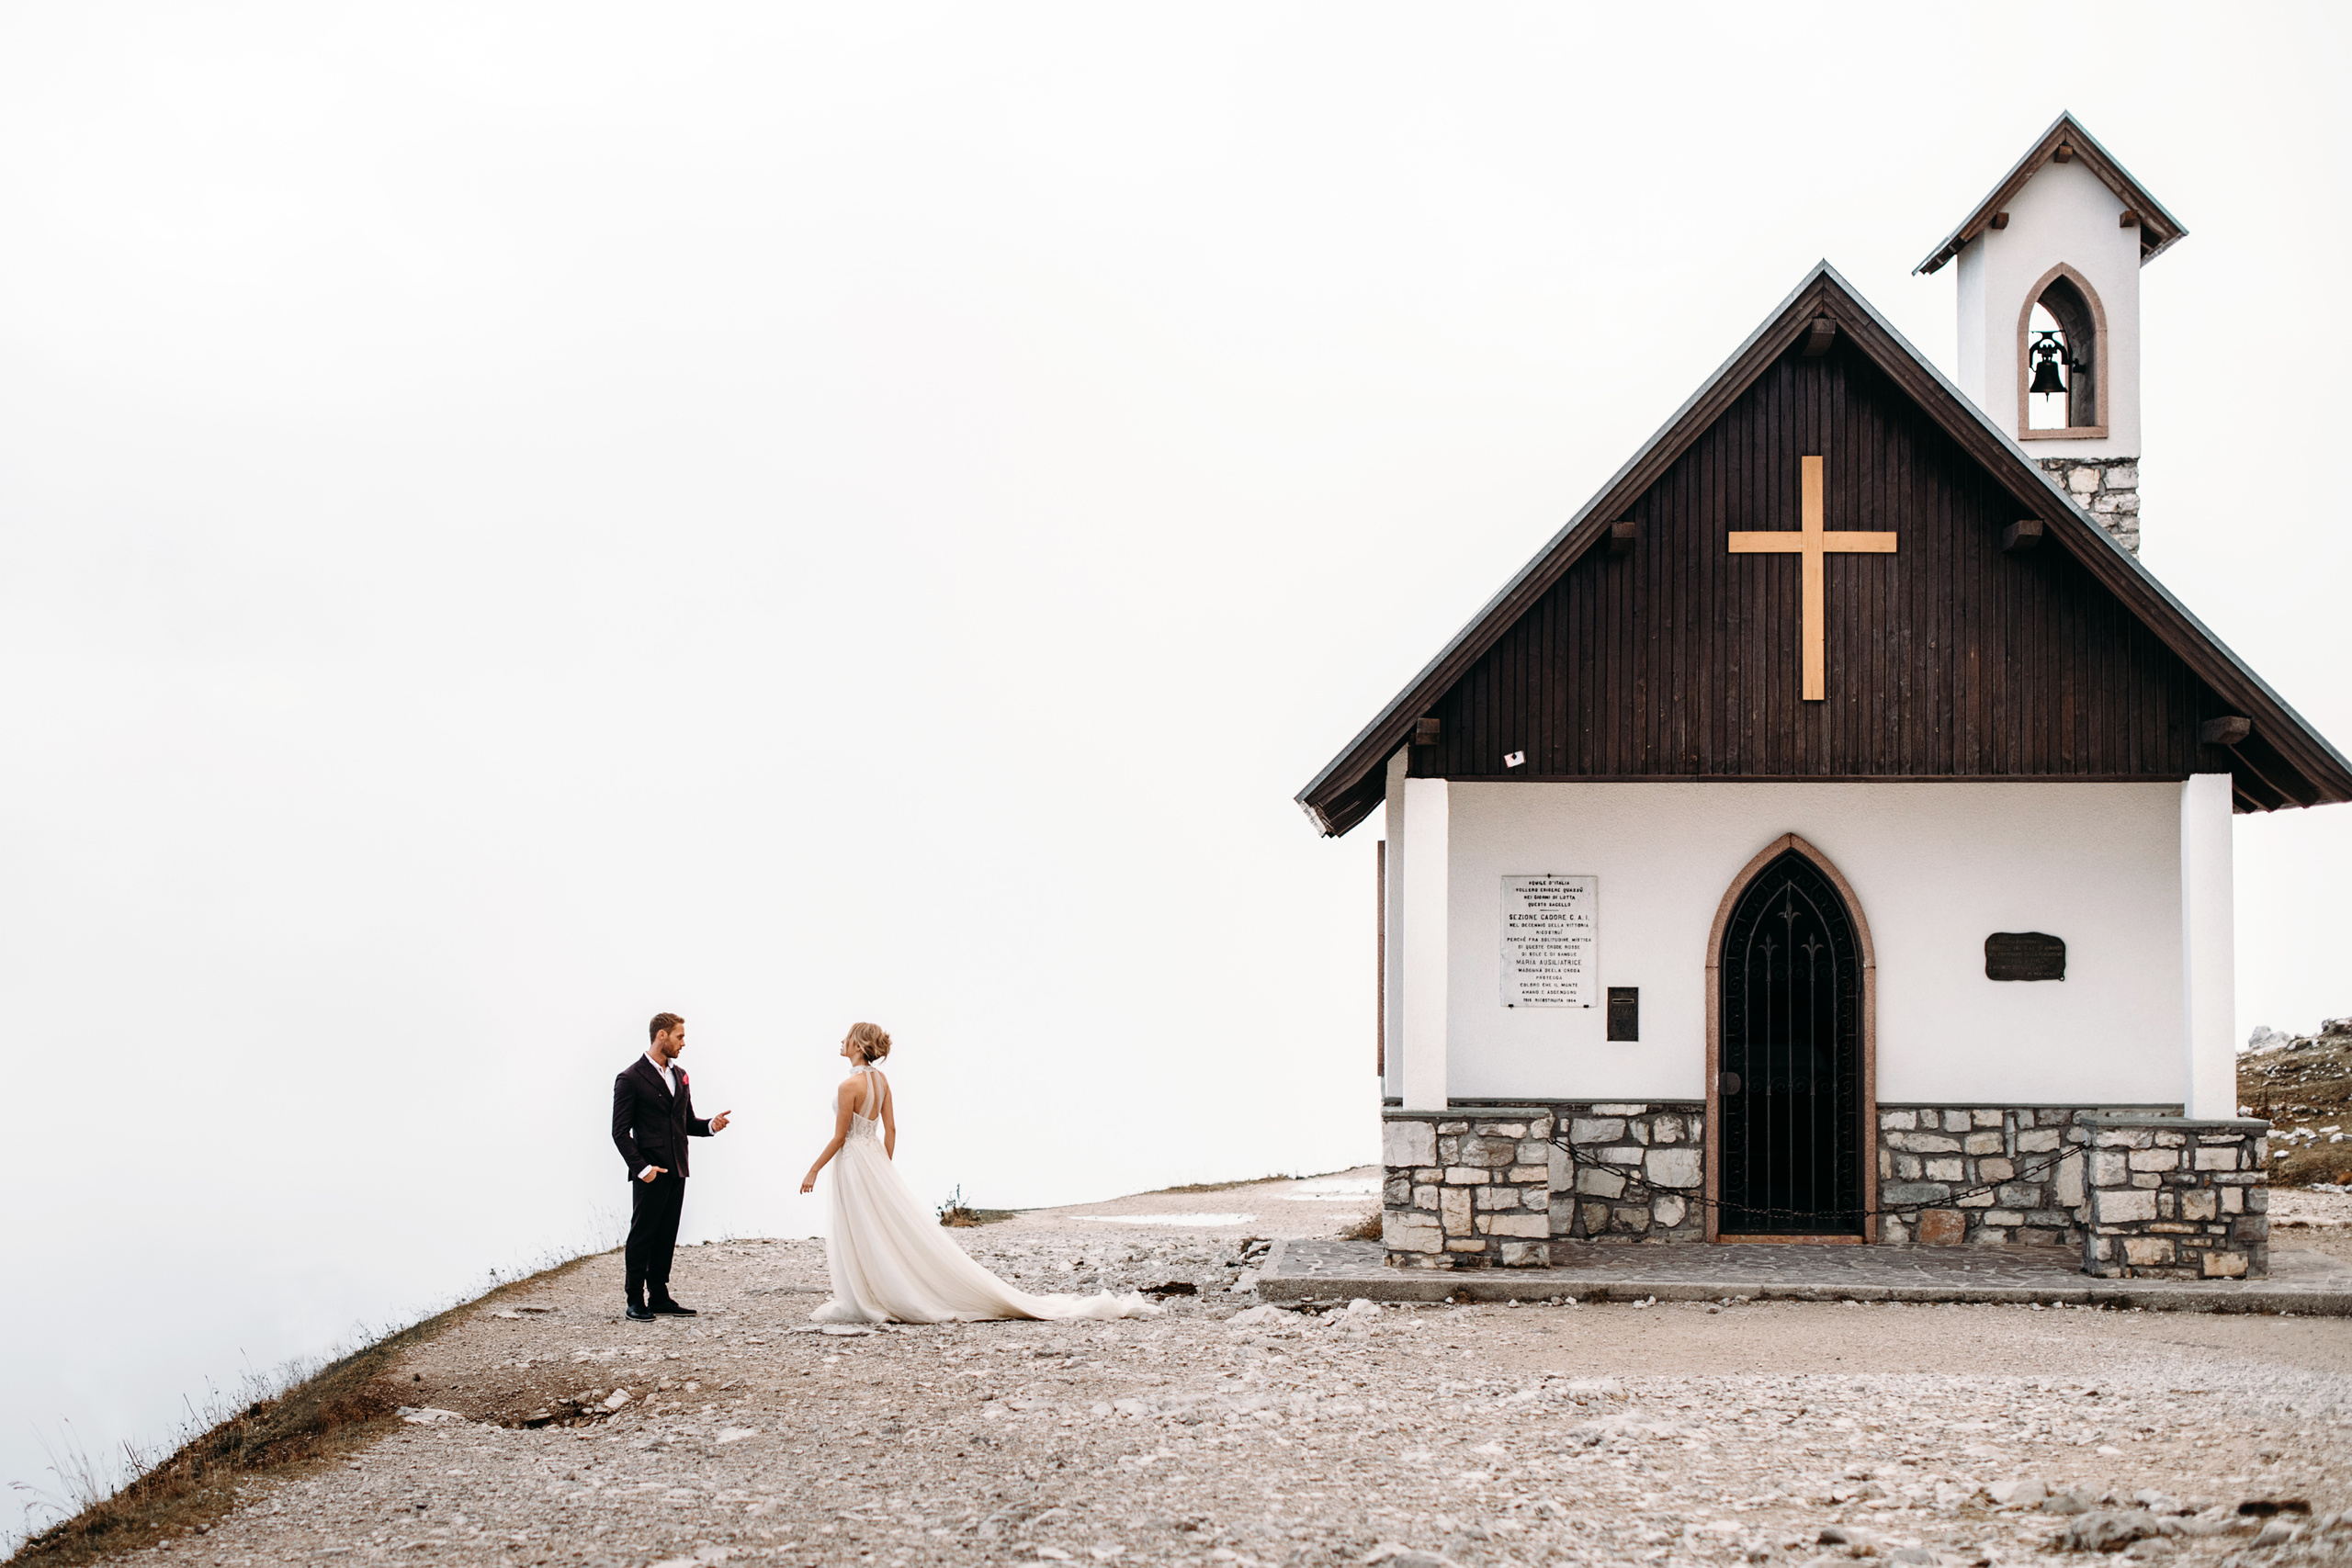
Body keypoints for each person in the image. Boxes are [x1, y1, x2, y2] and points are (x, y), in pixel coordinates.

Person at [800, 1021, 1158, 1324]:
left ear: (859, 1046)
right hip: (874, 1158)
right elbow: (890, 1130)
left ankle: (870, 1294)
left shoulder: (849, 1086)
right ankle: (883, 1287)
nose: (842, 1043)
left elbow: (839, 1137)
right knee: (884, 1227)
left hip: (853, 1162)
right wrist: (884, 1169)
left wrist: (813, 1170)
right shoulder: (881, 1083)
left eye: (847, 1038)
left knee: (863, 1227)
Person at [612, 1012, 731, 1322]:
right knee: (643, 1235)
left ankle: (660, 1296)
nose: (683, 1043)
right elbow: (619, 1132)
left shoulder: (680, 1076)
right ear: (661, 1035)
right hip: (650, 1172)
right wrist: (643, 1169)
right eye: (679, 1036)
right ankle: (635, 1299)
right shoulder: (630, 1078)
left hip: (679, 1167)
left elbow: (686, 1122)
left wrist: (711, 1126)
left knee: (666, 1234)